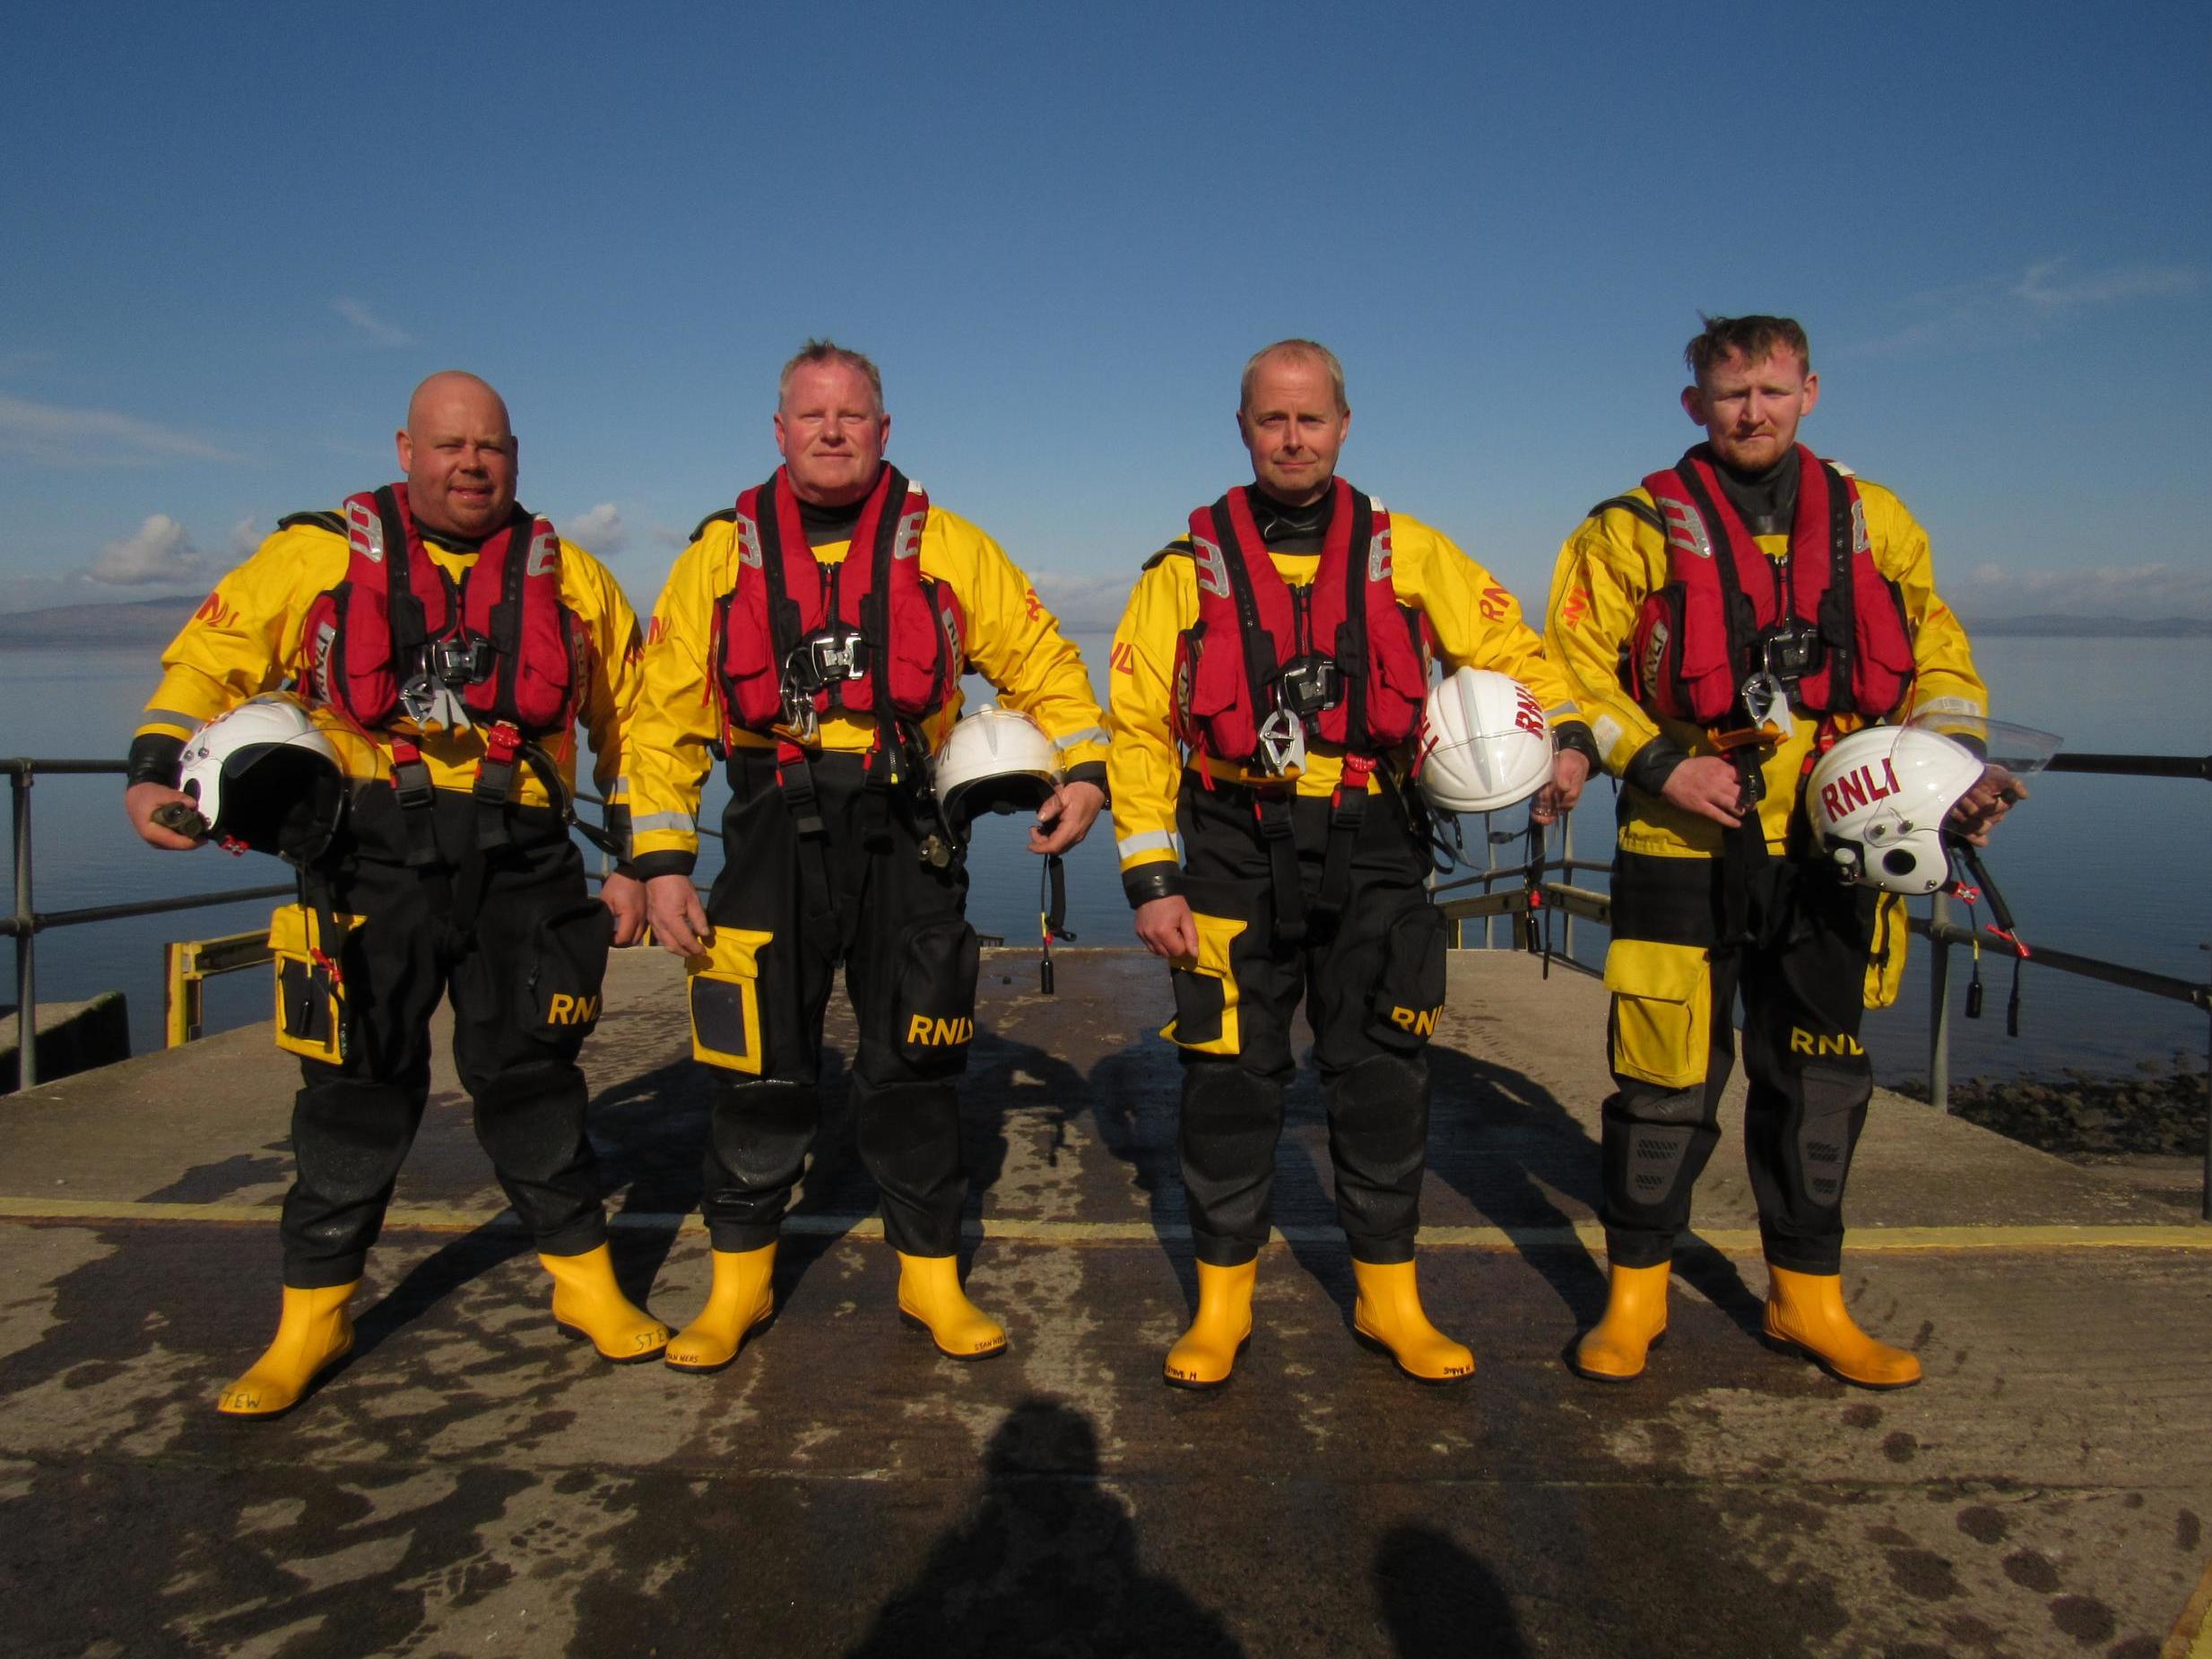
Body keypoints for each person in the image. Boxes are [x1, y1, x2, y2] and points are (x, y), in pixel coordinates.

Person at [126, 371, 666, 1415]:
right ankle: (313, 1315)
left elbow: (635, 720)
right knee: (352, 1086)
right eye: (450, 444)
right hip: (365, 859)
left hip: (526, 863)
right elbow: (212, 659)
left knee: (534, 1079)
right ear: (406, 449)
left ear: (516, 456)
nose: (473, 464)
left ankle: (585, 1283)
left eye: (493, 447)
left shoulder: (577, 580)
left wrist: (641, 857)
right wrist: (154, 766)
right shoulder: (315, 559)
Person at [1106, 339, 1596, 1388]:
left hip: (1376, 843)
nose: (1292, 438)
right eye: (1272, 420)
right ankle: (1222, 1302)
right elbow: (1138, 729)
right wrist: (1152, 874)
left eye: (1311, 419)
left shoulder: (1412, 554)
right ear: (1242, 429)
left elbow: (1522, 655)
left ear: (1342, 424)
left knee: (1381, 1073)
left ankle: (1389, 1296)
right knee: (1227, 1079)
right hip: (1232, 845)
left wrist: (1560, 736)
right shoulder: (1179, 572)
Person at [1543, 314, 2013, 1389]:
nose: (1749, 411)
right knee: (1661, 1079)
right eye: (1728, 394)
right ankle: (1633, 1300)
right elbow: (1569, 671)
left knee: (1819, 1078)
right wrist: (1663, 763)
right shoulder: (1628, 529)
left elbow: (1939, 657)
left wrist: (1953, 773)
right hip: (1681, 837)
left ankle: (1806, 1300)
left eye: (1770, 389)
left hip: (1839, 841)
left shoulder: (1875, 520)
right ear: (1693, 406)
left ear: (1810, 391)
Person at [628, 340, 1108, 1371]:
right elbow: (659, 714)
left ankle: (929, 1274)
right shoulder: (717, 557)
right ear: (779, 430)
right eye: (813, 416)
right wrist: (663, 857)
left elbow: (1046, 666)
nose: (833, 431)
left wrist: (1086, 771)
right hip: (767, 829)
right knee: (755, 1063)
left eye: (852, 416)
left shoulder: (951, 549)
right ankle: (738, 1281)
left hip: (907, 834)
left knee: (915, 1062)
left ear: (884, 432)